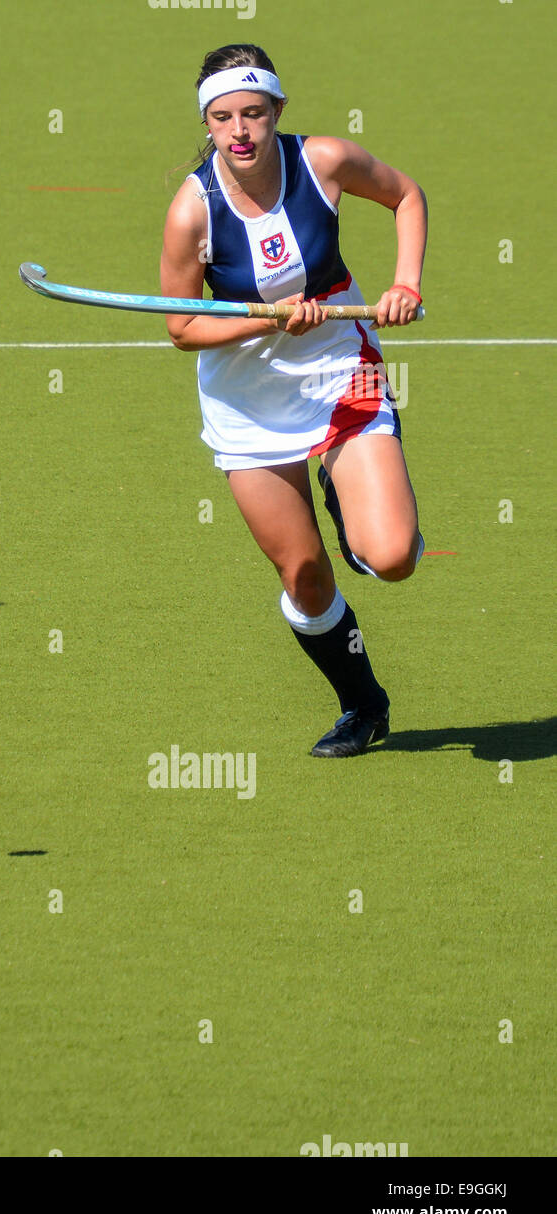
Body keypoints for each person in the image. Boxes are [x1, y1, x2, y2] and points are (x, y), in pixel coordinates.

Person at [160, 43, 427, 756]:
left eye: (253, 113)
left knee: (393, 554)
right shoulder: (193, 210)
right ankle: (363, 703)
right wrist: (268, 316)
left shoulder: (324, 162)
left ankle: (353, 494)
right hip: (247, 400)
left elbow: (406, 195)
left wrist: (405, 283)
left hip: (339, 368)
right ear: (208, 123)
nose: (240, 130)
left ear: (276, 111)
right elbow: (182, 327)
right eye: (223, 118)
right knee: (304, 574)